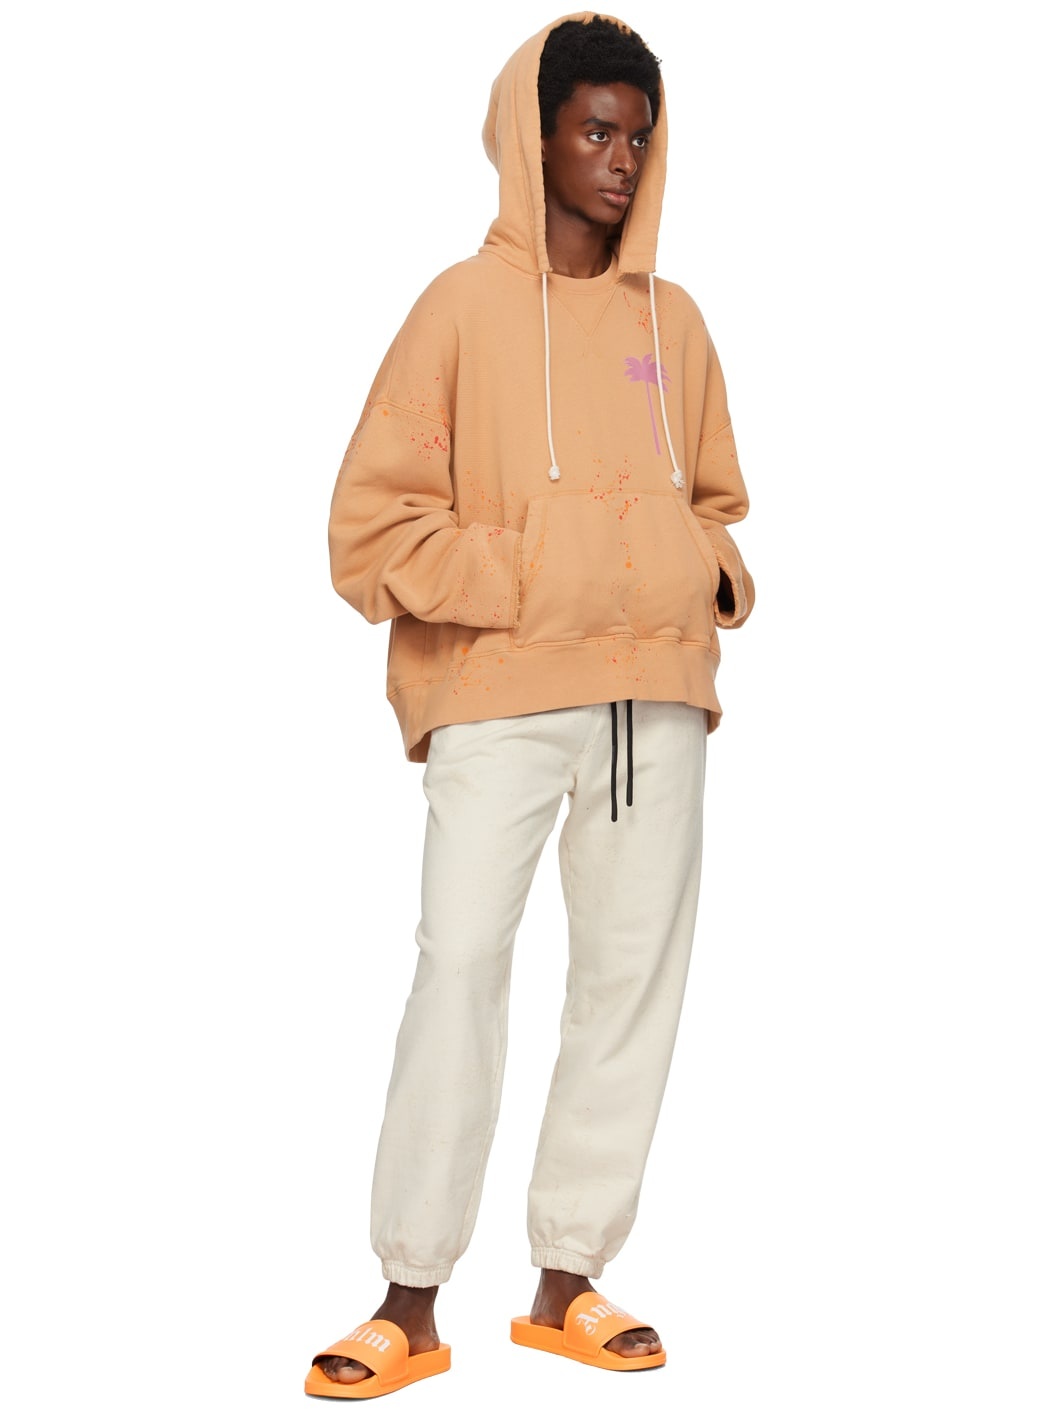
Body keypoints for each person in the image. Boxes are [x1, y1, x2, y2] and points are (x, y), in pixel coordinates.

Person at [305, 12, 754, 1399]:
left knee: (631, 986)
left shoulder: (673, 325)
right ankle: (409, 1296)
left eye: (638, 135)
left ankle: (569, 1278)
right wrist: (526, 575)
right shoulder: (458, 308)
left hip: (654, 700)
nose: (621, 158)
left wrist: (705, 574)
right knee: (459, 969)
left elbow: (718, 506)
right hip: (500, 690)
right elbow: (368, 531)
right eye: (595, 131)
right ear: (533, 136)